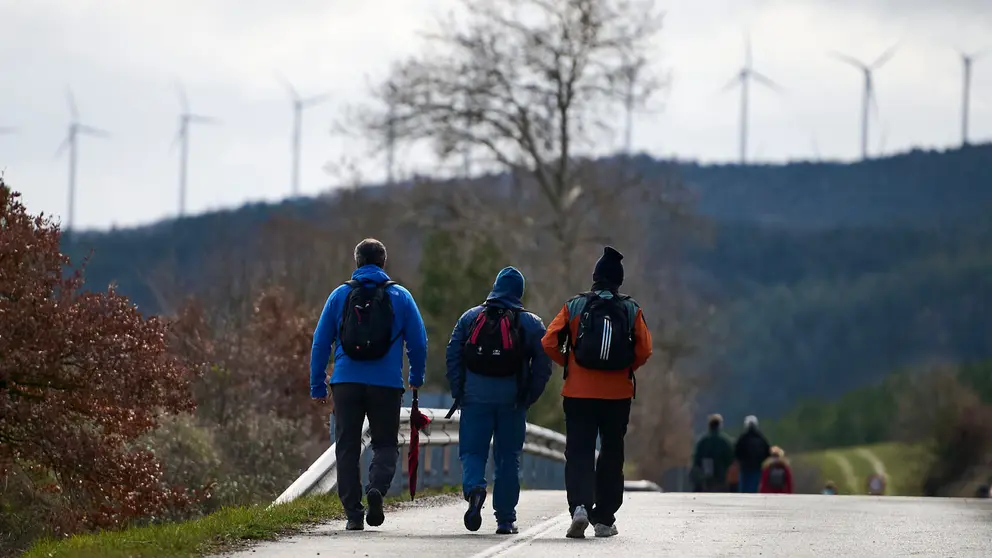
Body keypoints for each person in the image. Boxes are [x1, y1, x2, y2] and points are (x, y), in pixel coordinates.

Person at [310, 238, 428, 531]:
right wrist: (415, 377)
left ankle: (353, 513)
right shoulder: (400, 296)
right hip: (386, 384)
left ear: (358, 262)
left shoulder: (339, 296)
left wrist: (317, 384)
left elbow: (320, 342)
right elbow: (418, 341)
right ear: (383, 263)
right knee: (385, 443)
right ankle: (376, 488)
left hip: (346, 382)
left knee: (347, 446)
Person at [542, 246, 653, 539]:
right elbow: (645, 350)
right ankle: (604, 519)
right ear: (618, 281)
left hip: (578, 393)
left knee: (578, 450)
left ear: (594, 278)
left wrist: (570, 363)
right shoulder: (631, 309)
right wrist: (625, 368)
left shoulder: (575, 306)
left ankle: (579, 506)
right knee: (611, 453)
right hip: (617, 395)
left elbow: (549, 342)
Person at [446, 266, 552, 535]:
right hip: (512, 400)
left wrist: (459, 390)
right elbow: (544, 363)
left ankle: (475, 490)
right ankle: (505, 519)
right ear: (519, 293)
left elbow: (453, 354)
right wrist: (529, 396)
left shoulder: (470, 317)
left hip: (475, 397)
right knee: (508, 457)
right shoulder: (530, 323)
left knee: (472, 450)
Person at [691, 414, 735, 493]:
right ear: (720, 425)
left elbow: (696, 459)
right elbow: (731, 458)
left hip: (706, 477)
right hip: (721, 476)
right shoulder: (725, 441)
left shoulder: (702, 441)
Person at [734, 415, 771, 493]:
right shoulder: (761, 438)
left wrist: (740, 461)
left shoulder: (743, 438)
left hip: (745, 468)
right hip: (757, 468)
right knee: (755, 488)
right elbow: (768, 452)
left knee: (744, 489)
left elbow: (736, 451)